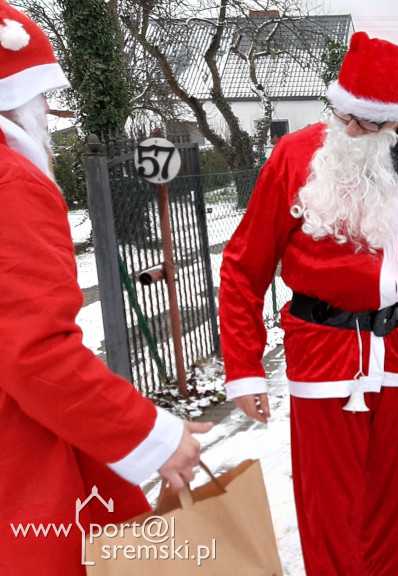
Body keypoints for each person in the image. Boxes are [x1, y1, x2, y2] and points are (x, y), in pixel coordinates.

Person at [218, 32, 398, 576]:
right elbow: (242, 267)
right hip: (322, 353)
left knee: (393, 503)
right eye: (342, 114)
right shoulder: (295, 157)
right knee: (329, 509)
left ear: (397, 122)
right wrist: (245, 369)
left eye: (365, 121)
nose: (348, 130)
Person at [0, 4, 211, 574]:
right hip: (23, 473)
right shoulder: (11, 182)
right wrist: (153, 435)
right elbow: (34, 351)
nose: (46, 109)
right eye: (41, 94)